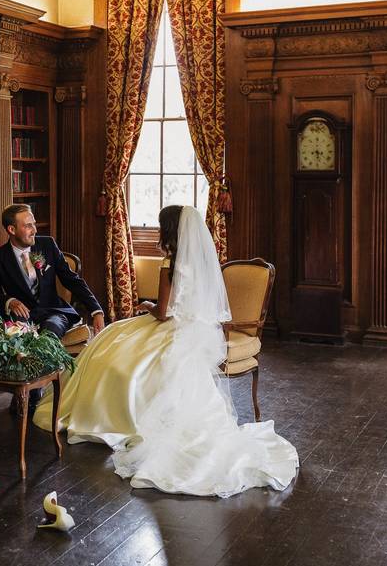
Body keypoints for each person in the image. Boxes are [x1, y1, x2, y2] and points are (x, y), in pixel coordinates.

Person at [33, 205, 299, 497]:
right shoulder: (199, 263)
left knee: (109, 347)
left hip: (170, 327)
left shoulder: (169, 263)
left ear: (169, 231)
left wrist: (144, 305)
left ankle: (108, 415)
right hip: (193, 329)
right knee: (116, 342)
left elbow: (162, 312)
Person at [0, 204, 105, 414]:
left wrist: (96, 310)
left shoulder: (47, 245)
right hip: (23, 318)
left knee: (49, 330)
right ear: (12, 229)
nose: (35, 229)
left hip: (55, 312)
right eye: (28, 225)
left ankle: (34, 389)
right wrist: (9, 301)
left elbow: (72, 280)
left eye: (34, 224)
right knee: (18, 336)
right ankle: (22, 387)